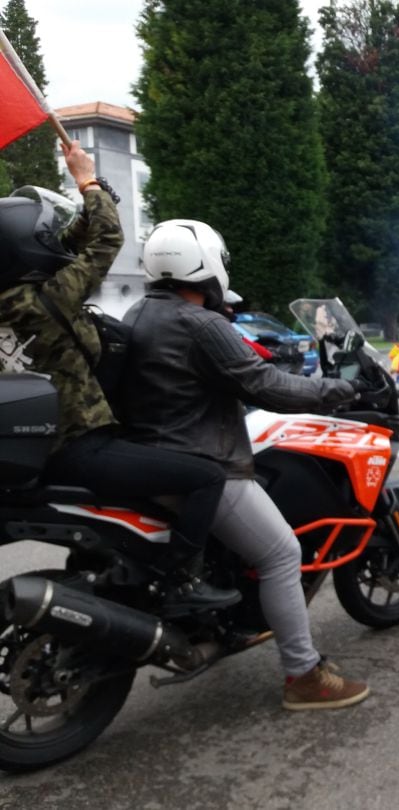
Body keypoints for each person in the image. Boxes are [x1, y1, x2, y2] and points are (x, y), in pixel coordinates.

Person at [121, 219, 372, 711]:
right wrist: (334, 389)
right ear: (206, 266)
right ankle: (303, 676)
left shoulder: (138, 312)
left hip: (148, 457)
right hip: (201, 461)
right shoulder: (200, 323)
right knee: (281, 554)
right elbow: (264, 385)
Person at [0, 142, 234, 615]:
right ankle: (181, 581)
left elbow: (66, 246)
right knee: (207, 476)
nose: (51, 242)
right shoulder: (49, 297)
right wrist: (87, 181)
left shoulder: (18, 301)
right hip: (80, 447)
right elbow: (106, 241)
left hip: (38, 453)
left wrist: (93, 199)